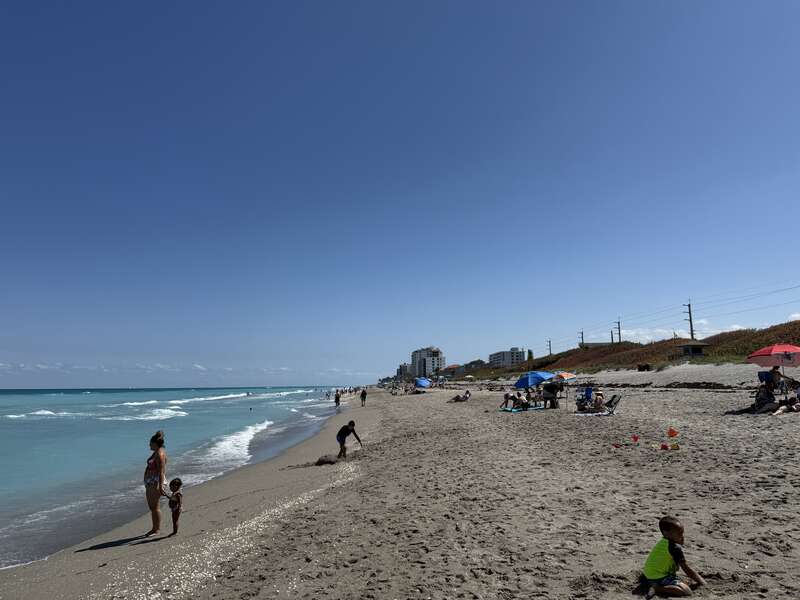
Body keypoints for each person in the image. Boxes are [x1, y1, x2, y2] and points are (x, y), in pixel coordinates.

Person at [641, 516, 705, 597]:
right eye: (679, 533)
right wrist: (701, 581)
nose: (682, 536)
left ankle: (657, 585)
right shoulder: (674, 548)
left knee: (683, 583)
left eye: (682, 533)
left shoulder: (664, 541)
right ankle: (657, 588)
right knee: (686, 591)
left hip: (649, 574)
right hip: (658, 577)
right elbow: (686, 569)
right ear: (666, 533)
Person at [143, 430, 167, 536]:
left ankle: (156, 529)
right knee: (152, 507)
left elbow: (161, 472)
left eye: (150, 443)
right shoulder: (156, 452)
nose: (149, 445)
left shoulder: (160, 454)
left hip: (156, 482)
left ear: (155, 443)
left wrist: (160, 486)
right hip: (150, 482)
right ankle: (154, 528)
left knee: (155, 507)